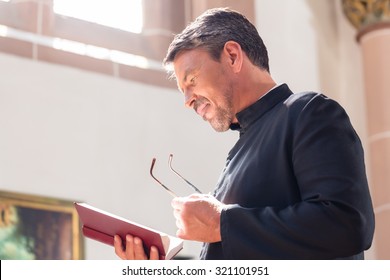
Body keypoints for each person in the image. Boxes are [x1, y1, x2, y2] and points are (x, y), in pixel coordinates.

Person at [114, 7, 375, 260]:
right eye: (183, 89)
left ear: (232, 56)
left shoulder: (308, 112)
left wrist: (222, 223)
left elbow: (347, 224)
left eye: (191, 80)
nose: (187, 100)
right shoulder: (235, 156)